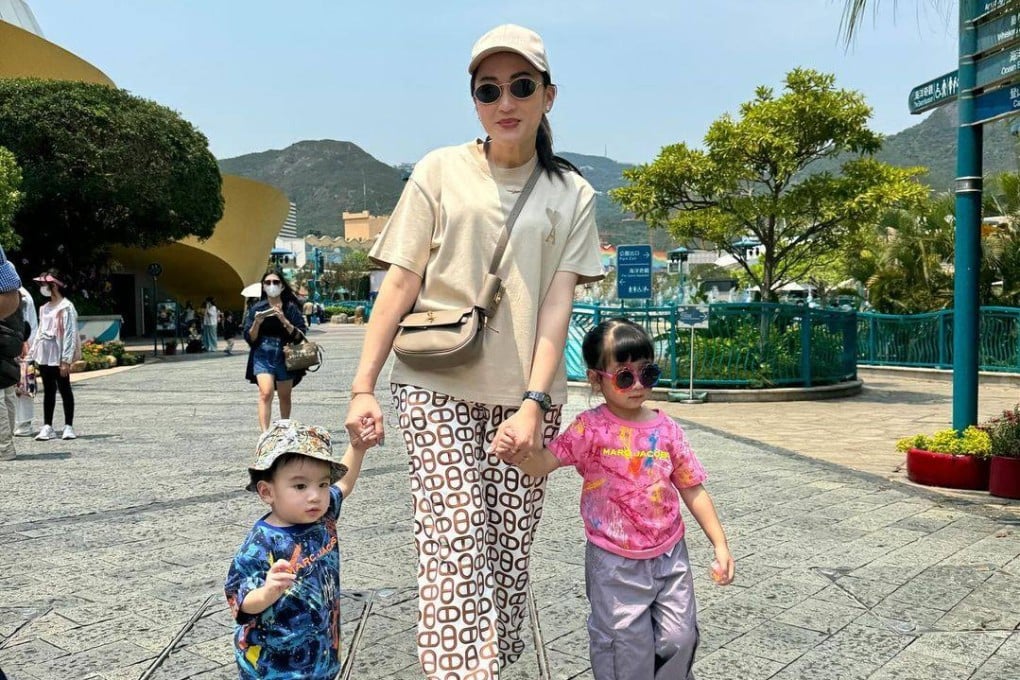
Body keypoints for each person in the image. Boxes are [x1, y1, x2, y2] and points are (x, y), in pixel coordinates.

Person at [343, 24, 603, 678]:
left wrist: (533, 404)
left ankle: (486, 660)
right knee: (454, 545)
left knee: (508, 556)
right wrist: (362, 386)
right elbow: (400, 281)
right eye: (488, 90)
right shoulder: (438, 170)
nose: (505, 102)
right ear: (475, 100)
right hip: (435, 386)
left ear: (548, 95)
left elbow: (555, 305)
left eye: (521, 86)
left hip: (527, 399)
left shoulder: (572, 194)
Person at [493, 318, 735, 679]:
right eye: (624, 376)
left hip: (670, 554)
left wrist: (720, 543)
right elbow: (544, 463)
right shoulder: (590, 428)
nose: (638, 385)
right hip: (613, 560)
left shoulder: (666, 429)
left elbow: (691, 486)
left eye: (647, 373)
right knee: (625, 645)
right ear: (596, 379)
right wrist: (518, 452)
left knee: (681, 637)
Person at [224, 418, 375, 680]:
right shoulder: (261, 543)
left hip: (322, 654)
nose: (315, 495)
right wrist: (268, 590)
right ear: (267, 492)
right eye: (300, 486)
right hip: (274, 666)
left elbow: (345, 484)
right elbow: (241, 601)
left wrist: (358, 448)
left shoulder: (323, 514)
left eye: (322, 484)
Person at [243, 269, 308, 431]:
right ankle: (265, 433)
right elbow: (250, 338)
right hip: (263, 353)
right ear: (263, 287)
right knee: (266, 393)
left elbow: (300, 334)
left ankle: (284, 428)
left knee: (284, 395)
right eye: (268, 283)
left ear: (282, 287)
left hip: (285, 354)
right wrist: (257, 323)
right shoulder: (257, 308)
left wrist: (284, 319)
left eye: (276, 282)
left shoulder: (290, 308)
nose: (272, 285)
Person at [29, 271, 77, 441]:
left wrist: (66, 360)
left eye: (44, 285)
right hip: (45, 352)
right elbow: (40, 331)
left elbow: (70, 334)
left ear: (54, 286)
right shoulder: (44, 308)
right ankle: (47, 425)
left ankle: (68, 426)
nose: (42, 288)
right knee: (48, 389)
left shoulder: (66, 307)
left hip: (59, 353)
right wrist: (31, 354)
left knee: (64, 388)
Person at [0, 249, 23, 461]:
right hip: (8, 343)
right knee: (6, 392)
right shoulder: (19, 291)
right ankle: (6, 446)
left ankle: (4, 447)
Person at [13, 286, 38, 437]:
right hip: (20, 344)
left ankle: (24, 423)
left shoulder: (21, 295)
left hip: (24, 345)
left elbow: (27, 324)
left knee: (24, 385)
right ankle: (18, 422)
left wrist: (26, 344)